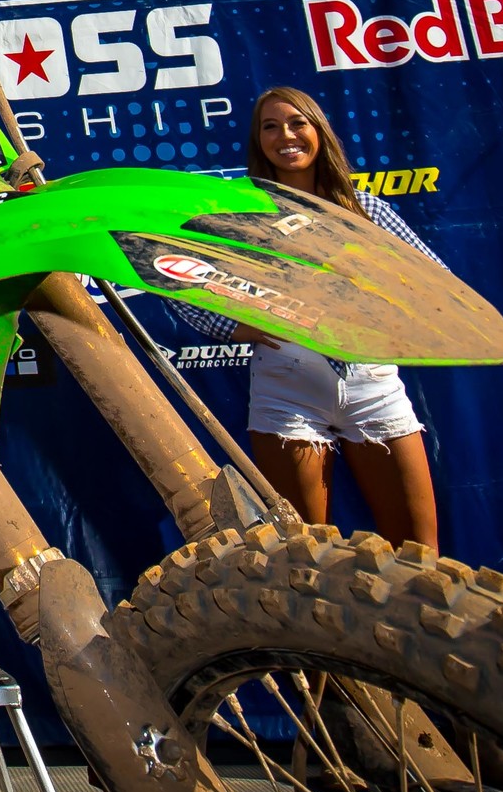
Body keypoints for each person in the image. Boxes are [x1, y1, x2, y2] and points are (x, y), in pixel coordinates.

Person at [179, 87, 445, 548]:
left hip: (372, 387)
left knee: (418, 554)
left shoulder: (367, 211)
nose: (286, 135)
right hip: (287, 391)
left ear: (318, 131)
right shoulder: (243, 217)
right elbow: (178, 282)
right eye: (270, 126)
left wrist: (378, 320)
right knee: (303, 557)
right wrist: (241, 327)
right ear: (257, 140)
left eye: (297, 123)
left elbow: (438, 288)